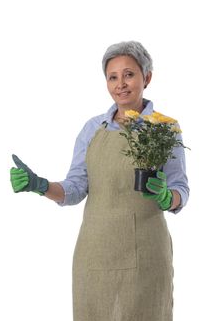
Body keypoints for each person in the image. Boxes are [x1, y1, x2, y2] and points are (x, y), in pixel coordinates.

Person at [10, 41, 189, 321]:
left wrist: (169, 196)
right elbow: (75, 188)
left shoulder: (165, 129)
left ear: (147, 77)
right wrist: (41, 186)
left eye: (129, 74)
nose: (121, 84)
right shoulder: (93, 129)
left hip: (147, 253)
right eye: (113, 77)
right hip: (94, 254)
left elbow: (181, 188)